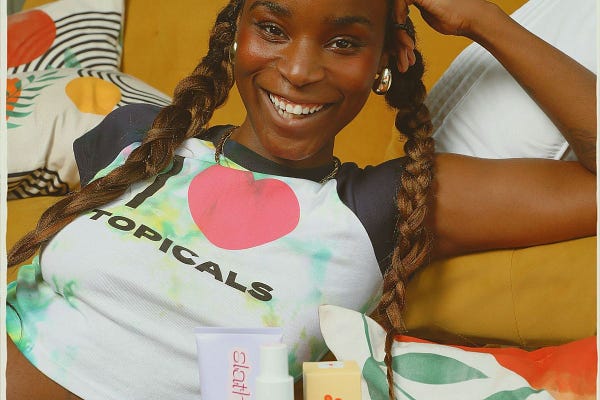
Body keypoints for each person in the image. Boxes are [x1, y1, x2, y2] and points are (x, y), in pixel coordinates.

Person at [6, 0, 596, 399]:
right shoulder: (139, 137)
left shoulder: (385, 204)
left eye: (343, 42)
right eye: (272, 29)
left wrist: (482, 20)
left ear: (389, 59)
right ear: (236, 34)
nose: (299, 69)